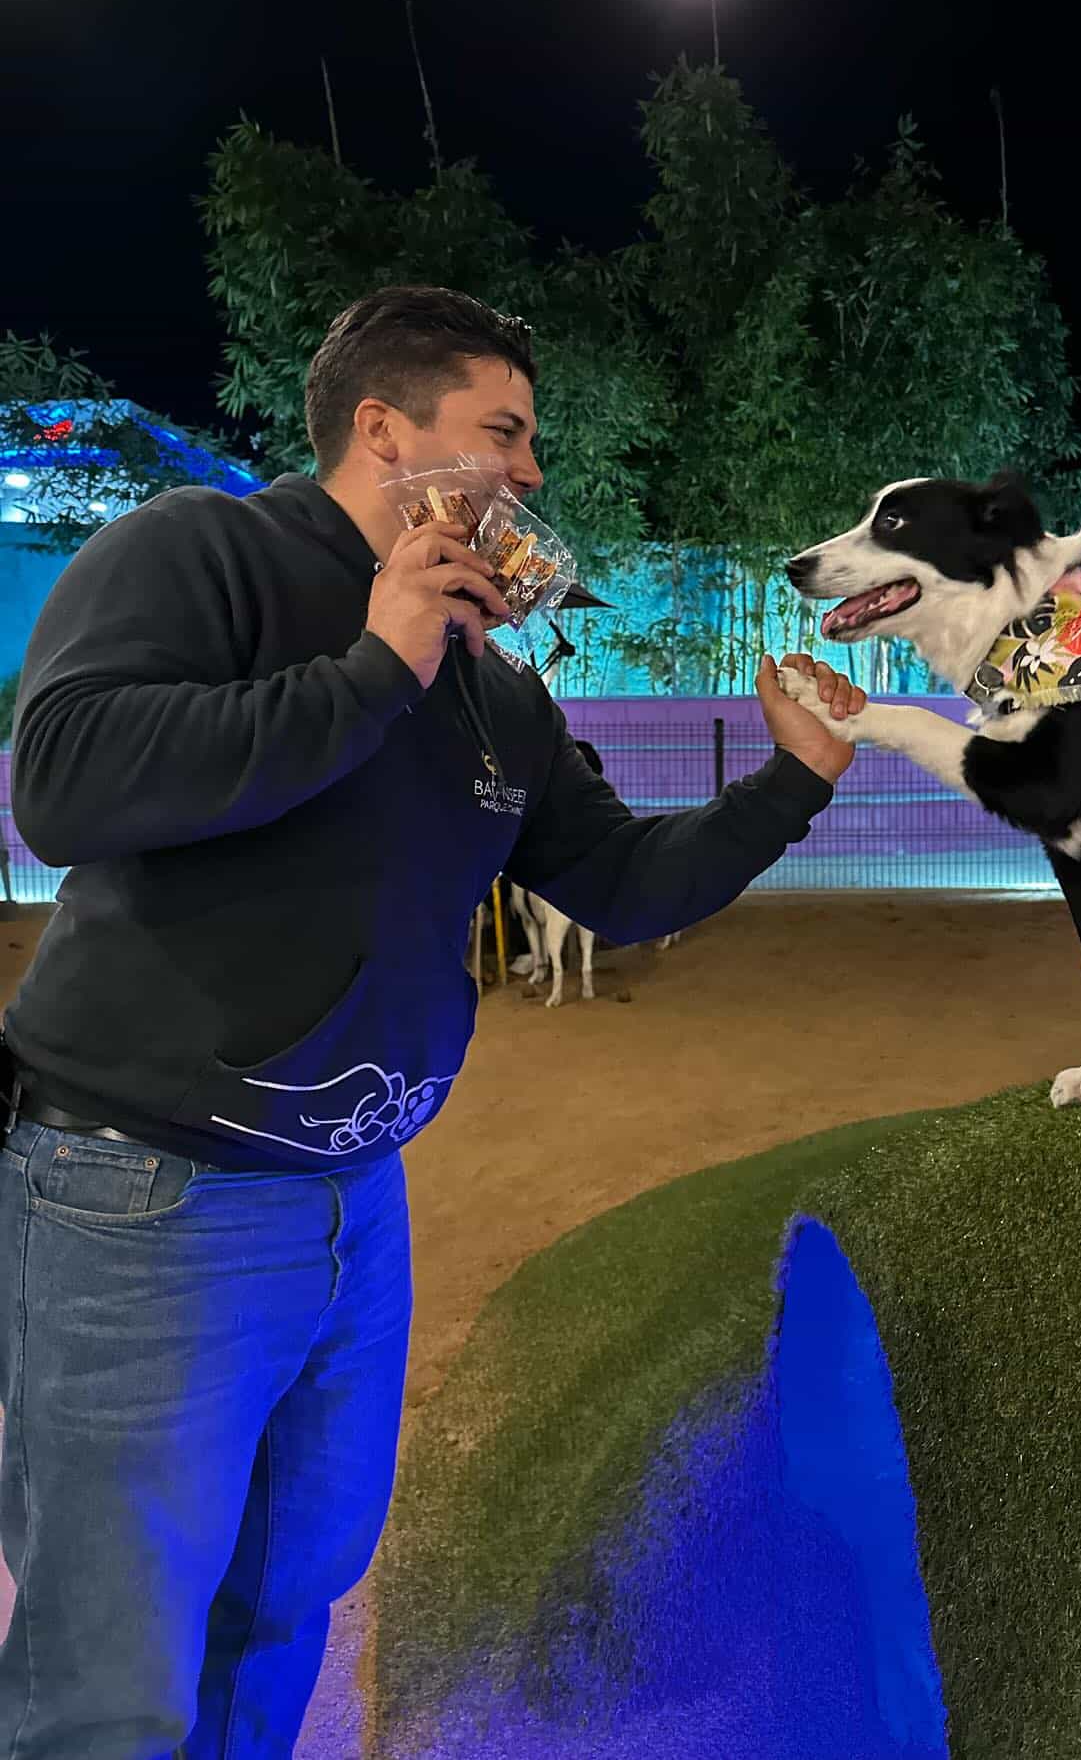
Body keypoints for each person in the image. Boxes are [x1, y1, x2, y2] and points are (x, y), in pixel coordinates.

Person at [0, 285, 866, 1759]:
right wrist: (370, 666)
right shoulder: (203, 553)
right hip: (146, 1194)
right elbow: (63, 785)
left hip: (353, 1202)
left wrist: (794, 783)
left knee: (283, 1601)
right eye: (504, 432)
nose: (531, 474)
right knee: (112, 1653)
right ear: (384, 431)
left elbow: (621, 885)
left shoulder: (494, 688)